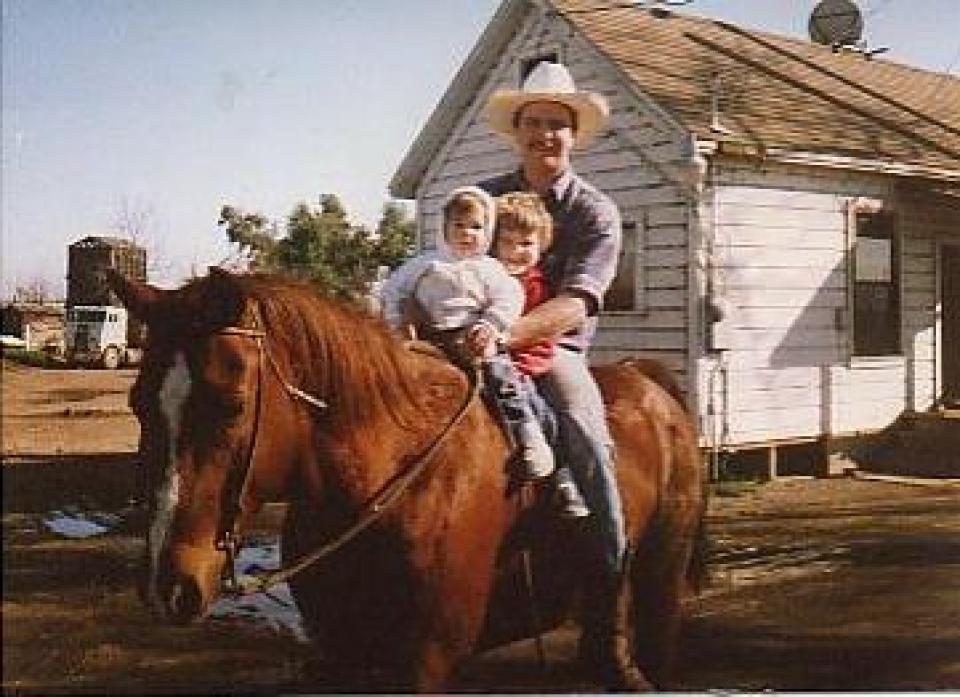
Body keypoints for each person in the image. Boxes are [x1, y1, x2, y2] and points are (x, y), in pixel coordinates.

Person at [479, 61, 640, 688]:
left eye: (557, 125)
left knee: (585, 431)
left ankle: (611, 589)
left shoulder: (596, 212)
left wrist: (509, 332)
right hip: (474, 342)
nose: (546, 135)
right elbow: (448, 262)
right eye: (535, 124)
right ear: (516, 132)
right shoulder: (485, 200)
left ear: (574, 137)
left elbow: (578, 301)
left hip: (553, 351)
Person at [379, 184, 554, 481]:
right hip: (428, 338)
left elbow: (509, 298)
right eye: (458, 225)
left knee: (502, 377)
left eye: (476, 226)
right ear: (443, 228)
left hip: (471, 337)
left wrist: (490, 325)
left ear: (487, 231)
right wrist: (397, 322)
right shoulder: (425, 264)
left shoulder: (490, 269)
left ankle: (529, 435)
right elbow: (393, 290)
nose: (466, 233)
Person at [483, 191, 589, 519]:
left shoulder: (533, 286)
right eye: (508, 243)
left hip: (522, 358)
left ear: (541, 246)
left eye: (526, 244)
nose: (517, 252)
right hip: (485, 360)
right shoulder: (482, 278)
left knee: (536, 405)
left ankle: (562, 474)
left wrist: (510, 355)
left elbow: (536, 333)